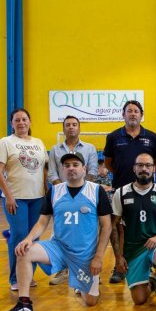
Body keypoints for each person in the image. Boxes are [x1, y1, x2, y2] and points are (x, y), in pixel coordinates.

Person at [0, 152, 112, 311]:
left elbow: (107, 226)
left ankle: (78, 283)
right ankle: (24, 305)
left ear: (84, 169)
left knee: (90, 301)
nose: (71, 168)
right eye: (67, 165)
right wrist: (28, 239)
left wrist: (98, 257)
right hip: (59, 248)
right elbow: (42, 221)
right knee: (25, 251)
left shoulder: (96, 191)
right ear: (62, 170)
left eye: (75, 165)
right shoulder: (54, 191)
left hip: (84, 255)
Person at [103, 100, 156, 283]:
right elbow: (108, 163)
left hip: (146, 190)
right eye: (129, 111)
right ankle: (119, 265)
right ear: (123, 115)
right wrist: (123, 174)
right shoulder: (113, 137)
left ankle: (149, 263)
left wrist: (144, 174)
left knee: (146, 227)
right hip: (121, 189)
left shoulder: (151, 137)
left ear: (141, 115)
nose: (133, 114)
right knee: (119, 228)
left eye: (136, 111)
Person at [112, 153, 156, 308]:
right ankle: (153, 282)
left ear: (154, 169)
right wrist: (118, 257)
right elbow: (114, 226)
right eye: (140, 165)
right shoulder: (121, 193)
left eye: (148, 165)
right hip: (133, 248)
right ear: (134, 169)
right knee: (139, 299)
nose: (144, 169)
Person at [47, 115, 99, 286]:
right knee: (60, 233)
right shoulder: (55, 149)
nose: (71, 127)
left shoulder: (90, 148)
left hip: (85, 196)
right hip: (62, 198)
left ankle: (87, 271)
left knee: (86, 236)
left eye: (74, 124)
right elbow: (52, 173)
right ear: (63, 129)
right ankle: (63, 269)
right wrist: (63, 191)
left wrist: (80, 189)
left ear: (79, 128)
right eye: (67, 124)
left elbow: (92, 171)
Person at [0, 109, 48, 290]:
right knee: (19, 235)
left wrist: (46, 191)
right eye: (17, 120)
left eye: (24, 119)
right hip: (16, 199)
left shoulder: (38, 142)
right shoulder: (6, 142)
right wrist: (9, 196)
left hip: (37, 198)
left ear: (29, 121)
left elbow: (43, 169)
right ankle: (15, 279)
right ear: (11, 123)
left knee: (34, 237)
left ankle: (28, 276)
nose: (21, 123)